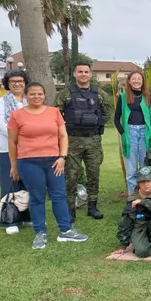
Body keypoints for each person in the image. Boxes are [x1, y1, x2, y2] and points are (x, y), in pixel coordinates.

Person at [8, 82, 89, 249]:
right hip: (29, 162)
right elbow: (12, 142)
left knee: (59, 195)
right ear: (26, 95)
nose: (36, 97)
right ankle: (40, 233)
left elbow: (63, 136)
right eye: (32, 94)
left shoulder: (54, 112)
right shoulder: (17, 115)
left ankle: (65, 231)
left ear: (44, 95)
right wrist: (14, 166)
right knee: (37, 197)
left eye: (39, 94)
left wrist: (62, 157)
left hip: (54, 161)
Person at [55, 61, 114, 221]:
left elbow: (109, 108)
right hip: (72, 141)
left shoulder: (99, 93)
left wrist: (98, 122)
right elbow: (56, 114)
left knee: (93, 175)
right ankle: (70, 209)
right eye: (80, 71)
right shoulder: (65, 94)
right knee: (71, 176)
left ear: (90, 74)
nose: (83, 74)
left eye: (86, 72)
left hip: (93, 140)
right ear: (75, 74)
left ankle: (92, 206)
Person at [115, 71, 151, 194]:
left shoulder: (149, 97)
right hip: (130, 133)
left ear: (142, 81)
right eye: (134, 79)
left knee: (145, 168)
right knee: (131, 171)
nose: (137, 81)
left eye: (139, 79)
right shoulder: (123, 97)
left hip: (145, 134)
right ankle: (132, 199)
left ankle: (145, 197)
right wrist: (123, 133)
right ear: (129, 81)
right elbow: (116, 119)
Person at [0, 69, 29, 199]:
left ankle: (28, 217)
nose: (16, 84)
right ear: (7, 84)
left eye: (20, 81)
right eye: (12, 81)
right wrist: (20, 136)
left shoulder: (31, 101)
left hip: (29, 149)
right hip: (7, 149)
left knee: (28, 184)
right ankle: (10, 217)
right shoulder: (1, 102)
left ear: (25, 83)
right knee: (10, 184)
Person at [116, 167, 151, 258]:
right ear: (138, 183)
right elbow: (126, 221)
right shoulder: (132, 198)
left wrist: (143, 202)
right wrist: (123, 244)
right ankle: (143, 243)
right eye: (142, 182)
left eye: (148, 181)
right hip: (139, 226)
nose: (146, 184)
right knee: (142, 252)